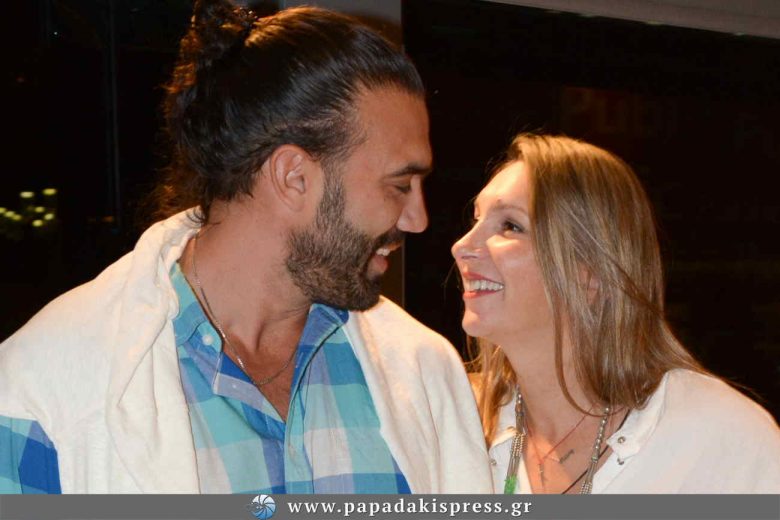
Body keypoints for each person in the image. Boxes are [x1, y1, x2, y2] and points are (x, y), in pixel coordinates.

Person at [0, 1, 492, 493]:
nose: (418, 219)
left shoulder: (425, 370)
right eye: (399, 185)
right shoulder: (43, 390)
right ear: (293, 176)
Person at [452, 133, 780, 494]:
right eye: (476, 219)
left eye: (510, 226)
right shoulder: (454, 421)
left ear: (590, 270)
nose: (461, 246)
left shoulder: (721, 439)